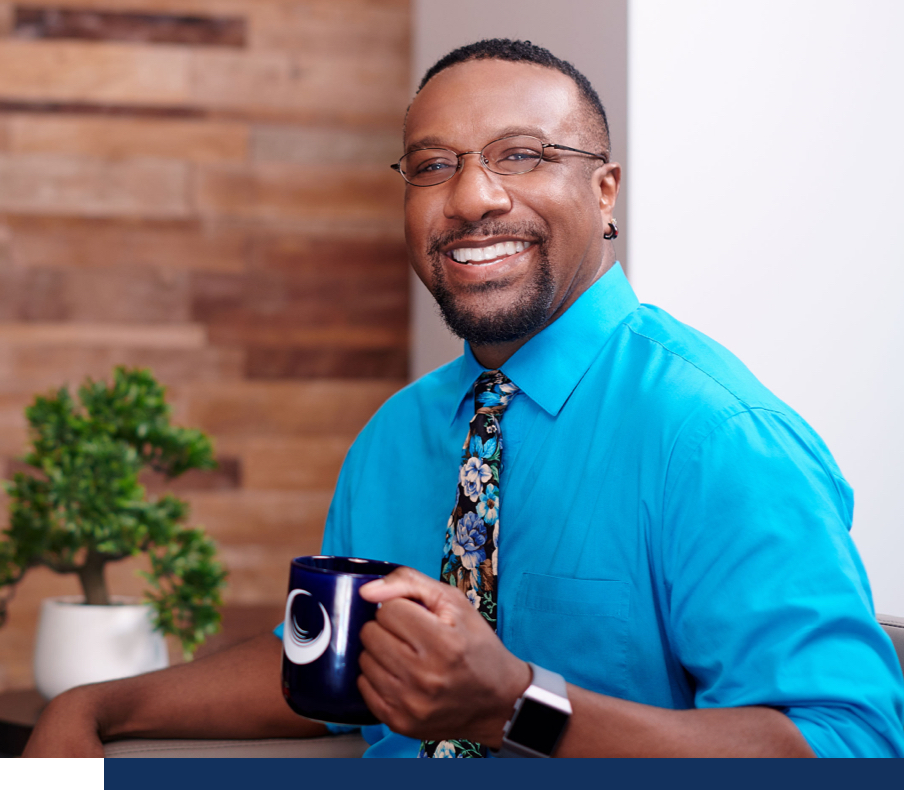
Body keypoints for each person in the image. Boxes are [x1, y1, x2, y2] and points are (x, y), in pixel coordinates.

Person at [24, 39, 904, 758]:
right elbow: (333, 669)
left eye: (523, 155)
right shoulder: (396, 435)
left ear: (605, 194)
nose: (473, 197)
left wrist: (519, 706)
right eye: (433, 165)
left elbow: (846, 746)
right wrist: (98, 708)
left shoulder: (716, 435)